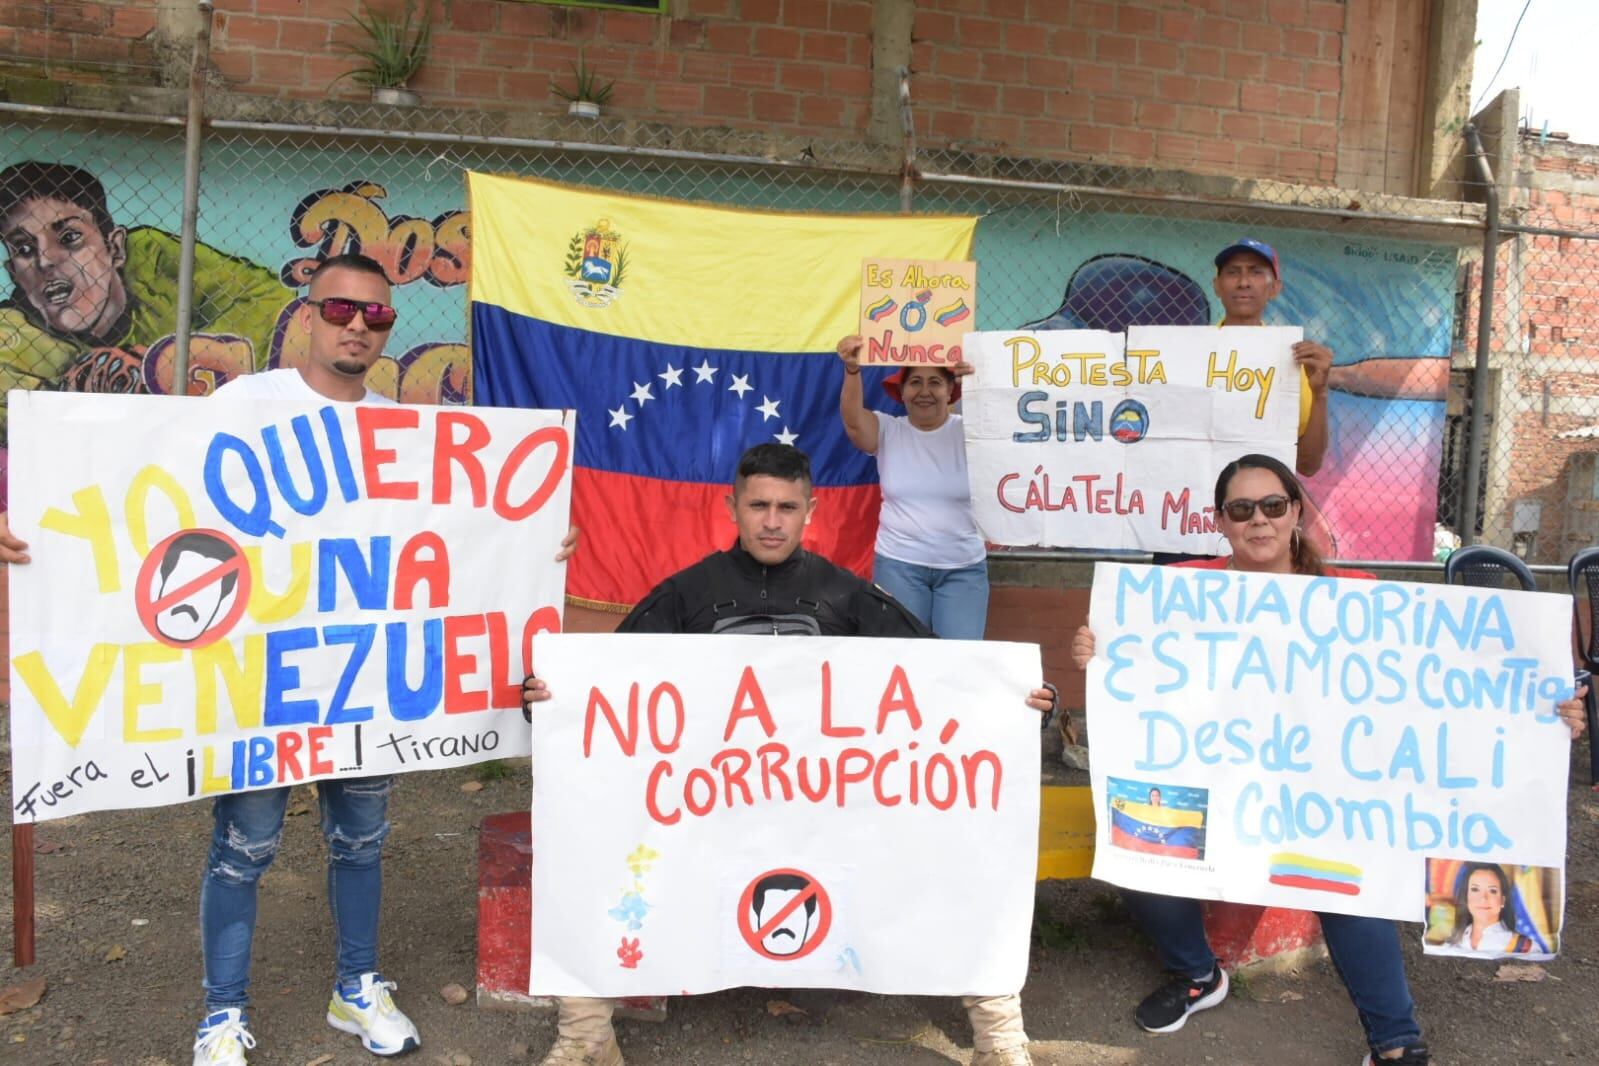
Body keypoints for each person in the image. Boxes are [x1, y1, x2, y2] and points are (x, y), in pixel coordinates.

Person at [0, 251, 576, 1066]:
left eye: (377, 316)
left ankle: (356, 988)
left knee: (363, 838)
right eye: (341, 310)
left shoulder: (400, 429)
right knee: (245, 844)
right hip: (261, 685)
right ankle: (223, 1014)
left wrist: (535, 544)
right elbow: (135, 502)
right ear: (307, 313)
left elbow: (467, 533)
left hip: (363, 679)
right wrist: (35, 532)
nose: (358, 327)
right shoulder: (243, 407)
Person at [523, 442, 1055, 1066]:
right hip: (709, 811)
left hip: (834, 812)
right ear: (732, 507)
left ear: (811, 511)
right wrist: (555, 699)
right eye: (758, 506)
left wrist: (1019, 701)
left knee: (955, 841)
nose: (772, 521)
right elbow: (613, 683)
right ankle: (585, 1036)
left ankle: (999, 1035)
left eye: (786, 507)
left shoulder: (845, 594)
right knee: (595, 846)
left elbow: (943, 678)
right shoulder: (688, 593)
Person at [1070, 452, 1589, 1066]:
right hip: (1217, 777)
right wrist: (1100, 651)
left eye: (1272, 506)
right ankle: (1197, 975)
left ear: (1294, 513)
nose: (1258, 520)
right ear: (1221, 521)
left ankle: (1395, 1041)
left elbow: (1438, 685)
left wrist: (1544, 714)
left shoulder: (1355, 595)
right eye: (1242, 509)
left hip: (1323, 791)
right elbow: (1134, 666)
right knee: (1139, 849)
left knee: (1350, 885)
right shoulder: (1180, 590)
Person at [0, 160, 287, 441]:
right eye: (24, 248)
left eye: (70, 237)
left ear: (114, 247)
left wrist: (165, 362)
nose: (46, 260)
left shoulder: (153, 261)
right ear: (14, 273)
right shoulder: (13, 337)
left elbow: (268, 297)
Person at [835, 336, 988, 638]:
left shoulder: (971, 430)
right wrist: (852, 370)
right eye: (915, 382)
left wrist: (978, 378)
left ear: (949, 392)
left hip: (963, 568)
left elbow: (1004, 418)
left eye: (935, 382)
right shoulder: (888, 429)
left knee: (959, 662)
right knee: (901, 657)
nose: (924, 391)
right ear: (902, 392)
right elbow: (853, 422)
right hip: (898, 566)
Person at [1434, 864, 1535, 957]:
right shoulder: (1452, 943)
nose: (1483, 898)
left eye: (1492, 891)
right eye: (1475, 889)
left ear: (1502, 900)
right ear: (1466, 896)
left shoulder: (1523, 946)